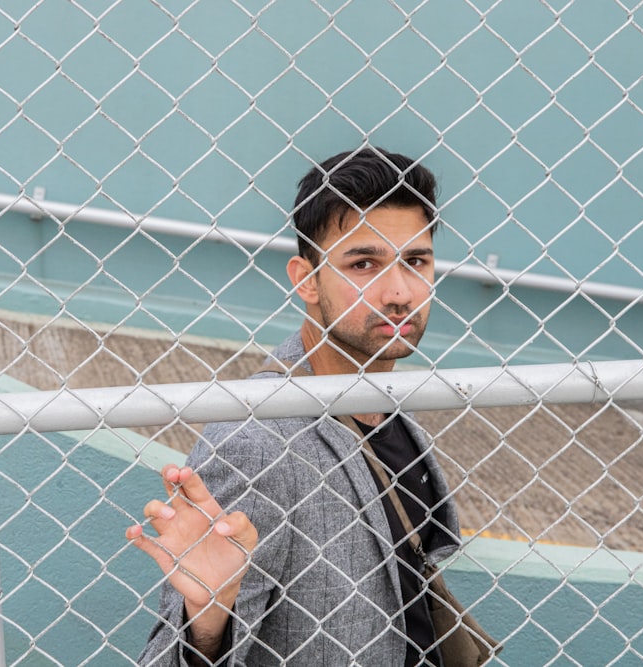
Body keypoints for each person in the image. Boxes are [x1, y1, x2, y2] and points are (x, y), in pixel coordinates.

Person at [126, 147, 461, 666]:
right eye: (364, 263)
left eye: (415, 261)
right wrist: (208, 620)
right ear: (306, 279)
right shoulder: (257, 442)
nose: (398, 292)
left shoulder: (382, 400)